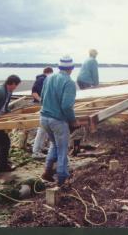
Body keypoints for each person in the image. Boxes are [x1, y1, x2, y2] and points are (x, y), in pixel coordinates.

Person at [40, 55, 77, 186]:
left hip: (44, 118)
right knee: (62, 149)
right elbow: (66, 106)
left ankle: (47, 172)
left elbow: (42, 98)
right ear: (71, 68)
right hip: (57, 120)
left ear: (59, 67)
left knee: (54, 145)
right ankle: (62, 178)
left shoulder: (49, 78)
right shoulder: (69, 82)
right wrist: (72, 120)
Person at [31, 67, 53, 159]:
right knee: (42, 129)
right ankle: (36, 151)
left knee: (44, 129)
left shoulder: (43, 79)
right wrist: (41, 100)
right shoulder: (42, 79)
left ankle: (41, 147)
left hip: (44, 105)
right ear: (48, 72)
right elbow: (34, 92)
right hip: (42, 106)